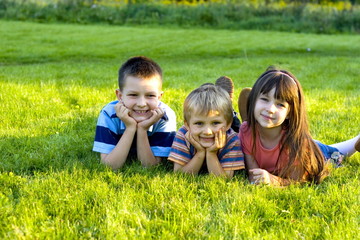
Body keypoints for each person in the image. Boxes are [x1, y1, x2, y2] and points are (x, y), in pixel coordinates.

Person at [238, 67, 360, 186]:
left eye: (280, 104)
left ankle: (355, 143)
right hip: (298, 141)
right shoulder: (246, 130)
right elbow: (252, 176)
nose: (270, 109)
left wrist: (273, 180)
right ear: (253, 100)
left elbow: (298, 182)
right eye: (264, 99)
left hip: (314, 153)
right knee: (318, 144)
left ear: (289, 113)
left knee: (334, 154)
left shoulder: (296, 144)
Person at [93, 56, 177, 170]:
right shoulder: (109, 114)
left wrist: (142, 129)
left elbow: (151, 167)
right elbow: (110, 166)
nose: (142, 103)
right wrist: (130, 127)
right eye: (133, 95)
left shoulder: (164, 117)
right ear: (120, 96)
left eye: (150, 95)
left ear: (159, 97)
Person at [168, 84, 245, 178]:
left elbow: (224, 179)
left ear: (228, 124)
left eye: (215, 123)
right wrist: (200, 153)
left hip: (231, 128)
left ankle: (235, 118)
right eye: (199, 123)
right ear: (187, 125)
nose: (207, 132)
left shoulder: (232, 140)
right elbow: (180, 175)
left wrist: (211, 153)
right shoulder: (183, 135)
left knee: (239, 128)